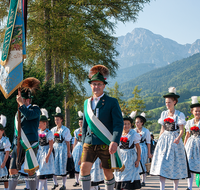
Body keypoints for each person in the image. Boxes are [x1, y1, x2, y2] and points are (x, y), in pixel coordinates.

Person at [80, 65, 124, 190]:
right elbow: (84, 126)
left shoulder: (112, 102)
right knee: (84, 168)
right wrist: (83, 142)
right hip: (89, 142)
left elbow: (118, 124)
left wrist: (115, 141)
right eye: (94, 84)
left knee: (107, 171)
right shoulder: (86, 103)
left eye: (99, 84)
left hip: (106, 142)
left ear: (104, 85)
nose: (96, 87)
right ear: (90, 85)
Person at [150, 87, 189, 190]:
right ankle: (162, 188)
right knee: (161, 164)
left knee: (175, 165)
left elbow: (182, 130)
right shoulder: (163, 114)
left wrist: (178, 138)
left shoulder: (179, 115)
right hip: (164, 140)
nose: (167, 104)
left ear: (175, 102)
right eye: (166, 102)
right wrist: (158, 141)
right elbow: (162, 129)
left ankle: (175, 188)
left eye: (169, 102)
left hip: (175, 141)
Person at [9, 89, 40, 190]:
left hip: (30, 144)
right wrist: (13, 145)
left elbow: (29, 115)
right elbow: (16, 131)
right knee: (12, 170)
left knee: (31, 171)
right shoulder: (19, 111)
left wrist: (21, 104)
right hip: (18, 144)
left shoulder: (35, 108)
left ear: (26, 99)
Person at [114, 111, 141, 190]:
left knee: (128, 179)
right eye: (125, 124)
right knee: (120, 176)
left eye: (128, 124)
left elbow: (138, 148)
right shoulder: (118, 133)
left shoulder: (133, 133)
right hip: (120, 156)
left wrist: (138, 160)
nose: (127, 126)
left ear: (131, 124)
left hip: (130, 158)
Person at [51, 107, 72, 190]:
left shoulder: (65, 130)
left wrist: (68, 152)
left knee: (63, 166)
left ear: (61, 120)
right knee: (54, 166)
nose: (56, 121)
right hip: (55, 149)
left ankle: (63, 185)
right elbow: (51, 141)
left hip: (63, 149)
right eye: (55, 119)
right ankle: (55, 183)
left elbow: (67, 142)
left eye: (58, 119)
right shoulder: (53, 130)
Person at [184, 96, 200, 190]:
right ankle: (189, 187)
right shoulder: (189, 122)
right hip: (191, 145)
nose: (197, 112)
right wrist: (184, 147)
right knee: (190, 165)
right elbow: (187, 135)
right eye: (196, 111)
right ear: (192, 112)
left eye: (199, 110)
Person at [37, 108, 55, 190]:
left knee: (42, 174)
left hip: (45, 153)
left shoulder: (49, 133)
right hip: (39, 153)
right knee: (41, 173)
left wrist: (47, 156)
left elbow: (51, 147)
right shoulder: (38, 132)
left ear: (44, 123)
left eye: (40, 123)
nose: (38, 124)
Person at [134, 112, 152, 187]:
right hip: (135, 148)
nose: (136, 124)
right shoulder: (133, 130)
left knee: (143, 164)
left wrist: (149, 153)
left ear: (142, 123)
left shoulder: (146, 131)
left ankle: (143, 180)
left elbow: (148, 142)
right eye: (135, 122)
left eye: (138, 122)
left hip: (143, 148)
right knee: (135, 164)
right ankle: (136, 180)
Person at [72, 111, 83, 187]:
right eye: (79, 122)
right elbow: (75, 141)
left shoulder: (86, 131)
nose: (80, 124)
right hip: (77, 148)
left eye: (82, 122)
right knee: (76, 164)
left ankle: (81, 180)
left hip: (83, 147)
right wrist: (73, 150)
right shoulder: (76, 131)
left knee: (82, 164)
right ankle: (76, 181)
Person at [0, 115, 11, 190]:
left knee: (4, 176)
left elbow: (7, 152)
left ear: (2, 131)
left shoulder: (5, 140)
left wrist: (4, 162)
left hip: (3, 158)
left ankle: (6, 189)